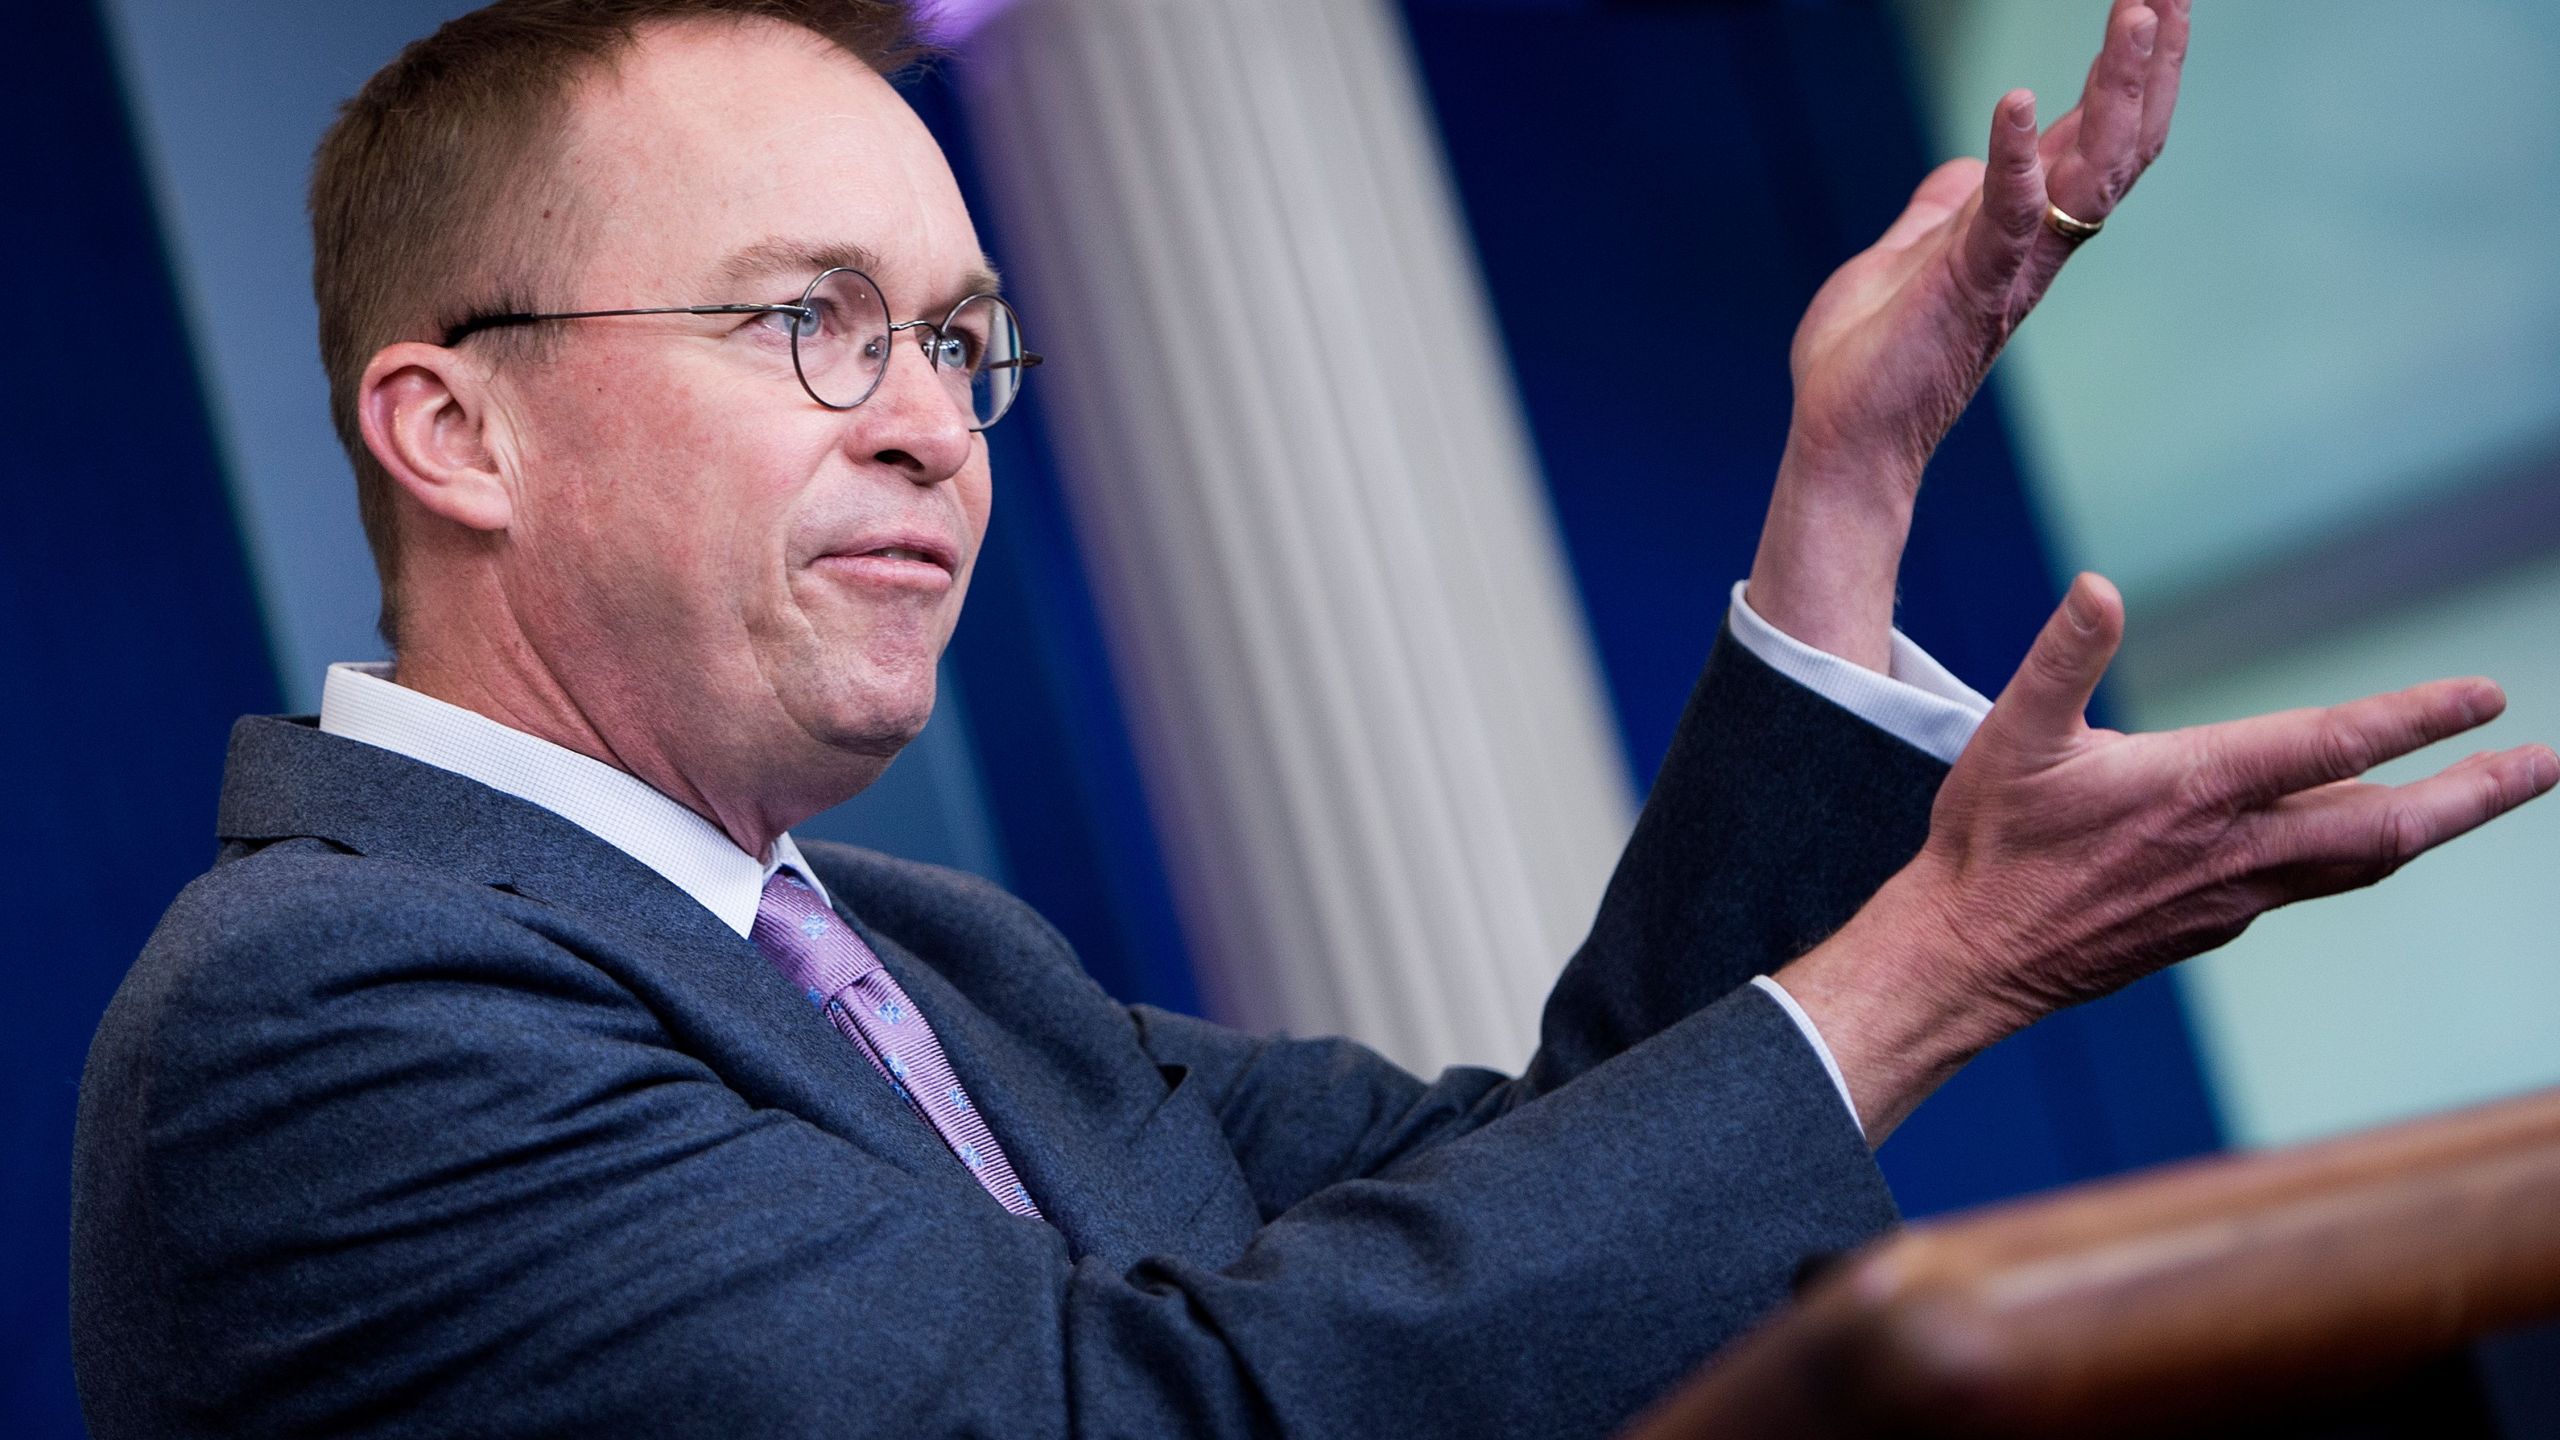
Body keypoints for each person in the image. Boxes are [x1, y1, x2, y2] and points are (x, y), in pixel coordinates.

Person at [68, 0, 2555, 1435]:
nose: (936, 419)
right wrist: (1936, 968)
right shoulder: (320, 1015)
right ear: (452, 427)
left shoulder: (927, 955)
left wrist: (1844, 491)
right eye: (812, 316)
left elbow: (1562, 1196)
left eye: (958, 338)